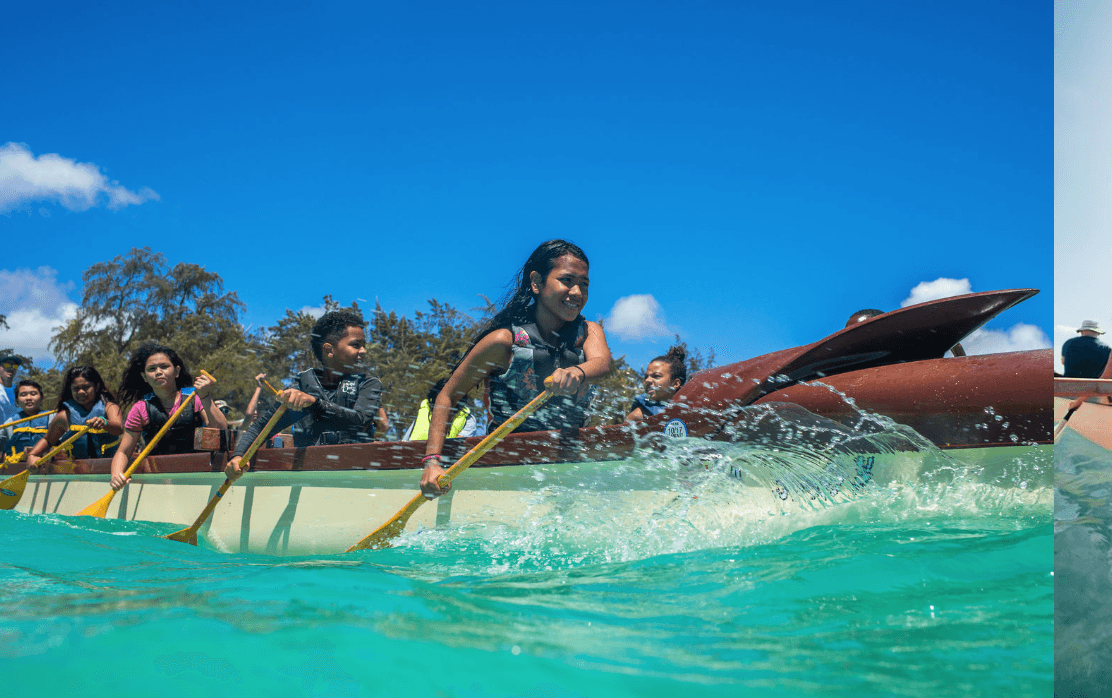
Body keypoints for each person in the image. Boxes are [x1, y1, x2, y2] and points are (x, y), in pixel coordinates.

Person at [420, 239, 611, 498]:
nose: (577, 292)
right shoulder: (503, 342)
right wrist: (432, 462)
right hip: (507, 466)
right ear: (536, 282)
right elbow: (448, 396)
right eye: (567, 280)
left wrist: (577, 372)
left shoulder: (589, 332)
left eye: (584, 284)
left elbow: (602, 364)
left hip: (570, 465)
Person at [224, 310, 383, 481]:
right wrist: (238, 456)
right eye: (356, 345)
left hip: (354, 477)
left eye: (364, 344)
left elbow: (359, 422)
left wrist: (314, 404)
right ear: (329, 350)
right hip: (309, 478)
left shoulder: (369, 385)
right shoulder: (302, 387)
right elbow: (261, 428)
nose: (364, 351)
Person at [106, 344, 228, 490]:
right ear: (145, 377)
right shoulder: (140, 408)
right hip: (159, 480)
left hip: (197, 476)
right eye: (152, 369)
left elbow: (220, 430)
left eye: (164, 367)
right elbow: (123, 452)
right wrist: (116, 475)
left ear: (176, 371)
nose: (158, 372)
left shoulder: (195, 398)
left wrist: (206, 397)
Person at [26, 366, 122, 466]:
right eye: (76, 389)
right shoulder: (64, 416)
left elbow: (119, 428)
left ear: (96, 387)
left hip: (111, 466)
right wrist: (33, 455)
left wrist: (104, 423)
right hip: (78, 470)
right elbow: (48, 440)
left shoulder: (110, 407)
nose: (81, 392)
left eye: (86, 387)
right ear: (70, 390)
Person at [845, 307, 966, 357]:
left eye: (861, 331)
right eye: (849, 333)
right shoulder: (847, 357)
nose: (855, 338)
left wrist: (962, 363)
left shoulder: (907, 346)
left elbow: (950, 340)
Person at [403, 377, 480, 440]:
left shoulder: (468, 419)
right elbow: (404, 441)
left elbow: (460, 448)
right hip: (414, 455)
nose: (444, 403)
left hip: (447, 458)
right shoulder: (424, 411)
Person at [625, 346, 688, 422]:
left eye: (656, 376)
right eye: (646, 377)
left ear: (675, 383)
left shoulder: (688, 410)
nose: (647, 380)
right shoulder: (639, 415)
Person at [1, 380, 51, 462]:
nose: (29, 398)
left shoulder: (53, 418)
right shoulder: (10, 423)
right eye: (23, 395)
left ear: (42, 398)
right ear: (17, 401)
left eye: (33, 394)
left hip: (48, 468)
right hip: (16, 469)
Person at [0, 354, 23, 423]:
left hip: (19, 432)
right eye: (7, 365)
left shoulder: (20, 391)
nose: (11, 368)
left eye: (15, 366)